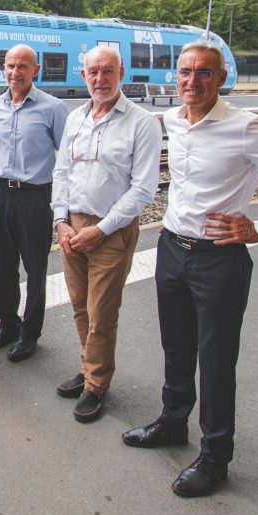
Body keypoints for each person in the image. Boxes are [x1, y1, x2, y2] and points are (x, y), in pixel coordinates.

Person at [122, 40, 258, 497]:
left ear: (221, 79)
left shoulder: (245, 128)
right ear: (174, 76)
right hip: (172, 250)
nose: (192, 81)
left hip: (219, 259)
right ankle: (173, 423)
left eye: (204, 73)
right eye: (185, 72)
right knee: (176, 346)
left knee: (216, 362)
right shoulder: (172, 121)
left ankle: (216, 458)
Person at [51, 46, 161, 422]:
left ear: (121, 72)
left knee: (102, 311)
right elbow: (61, 172)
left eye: (107, 71)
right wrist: (61, 222)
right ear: (83, 76)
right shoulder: (75, 118)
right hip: (72, 227)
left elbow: (144, 188)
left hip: (110, 231)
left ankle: (97, 384)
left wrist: (100, 229)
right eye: (93, 72)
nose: (100, 79)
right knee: (80, 306)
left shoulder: (142, 122)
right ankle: (88, 369)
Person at [0, 44, 68, 362]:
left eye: (22, 66)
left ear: (36, 70)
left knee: (35, 269)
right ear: (4, 69)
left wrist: (61, 207)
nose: (15, 72)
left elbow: (66, 159)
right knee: (2, 266)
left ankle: (30, 334)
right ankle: (8, 325)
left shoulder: (53, 108)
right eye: (10, 66)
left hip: (34, 196)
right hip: (1, 192)